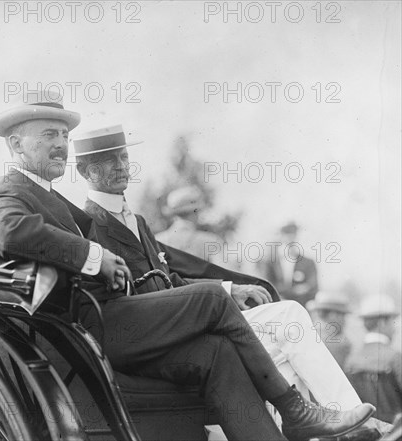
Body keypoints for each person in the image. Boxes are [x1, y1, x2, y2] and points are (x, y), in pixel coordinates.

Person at [0, 91, 374, 441]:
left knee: (215, 351)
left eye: (64, 136)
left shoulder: (47, 195)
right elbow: (8, 230)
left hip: (105, 319)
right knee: (209, 300)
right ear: (15, 144)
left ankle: (288, 424)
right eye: (48, 135)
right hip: (86, 328)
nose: (61, 144)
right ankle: (295, 411)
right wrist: (96, 257)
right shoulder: (8, 192)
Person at [73, 123, 391, 441]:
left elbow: (169, 278)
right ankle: (345, 426)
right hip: (163, 335)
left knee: (287, 333)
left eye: (123, 156)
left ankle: (341, 427)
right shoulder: (89, 227)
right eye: (107, 160)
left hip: (188, 320)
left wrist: (231, 289)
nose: (120, 166)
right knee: (287, 322)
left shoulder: (138, 220)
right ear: (86, 170)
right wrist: (214, 294)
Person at [346, 295, 402, 423]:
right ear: (382, 322)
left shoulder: (352, 359)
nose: (395, 329)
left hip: (365, 431)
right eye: (392, 322)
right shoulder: (395, 357)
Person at [261, 222, 319, 307]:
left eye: (293, 234)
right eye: (286, 234)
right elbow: (267, 285)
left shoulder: (308, 263)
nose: (290, 238)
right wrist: (293, 291)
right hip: (276, 306)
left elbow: (312, 287)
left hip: (301, 306)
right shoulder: (270, 262)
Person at [307, 291, 353, 368]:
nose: (344, 321)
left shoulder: (308, 333)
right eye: (343, 316)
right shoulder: (340, 343)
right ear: (333, 315)